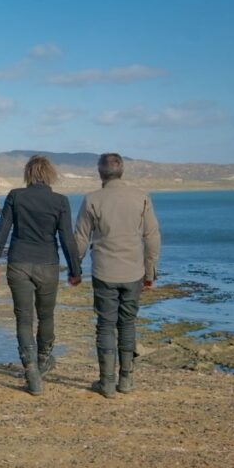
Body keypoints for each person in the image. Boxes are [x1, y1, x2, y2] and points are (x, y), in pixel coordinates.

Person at [0, 155, 81, 396]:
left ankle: (30, 370)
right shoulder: (60, 201)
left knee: (24, 318)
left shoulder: (15, 196)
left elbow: (2, 232)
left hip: (18, 264)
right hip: (48, 265)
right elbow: (67, 238)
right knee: (46, 315)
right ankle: (41, 362)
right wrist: (75, 270)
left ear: (28, 174)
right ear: (50, 175)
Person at [74, 153, 161, 398]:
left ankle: (107, 382)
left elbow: (81, 237)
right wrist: (150, 271)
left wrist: (75, 268)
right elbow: (152, 237)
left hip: (104, 272)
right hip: (134, 271)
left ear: (100, 173)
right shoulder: (141, 197)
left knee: (105, 325)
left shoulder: (92, 199)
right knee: (128, 324)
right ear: (121, 171)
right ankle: (126, 379)